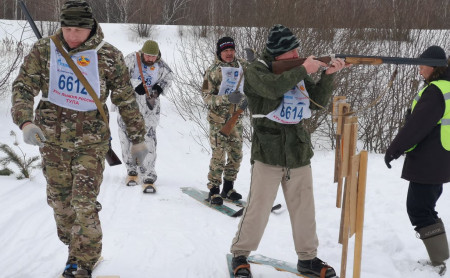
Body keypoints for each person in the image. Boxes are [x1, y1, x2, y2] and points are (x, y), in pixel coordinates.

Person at [11, 1, 148, 277]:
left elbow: (125, 100)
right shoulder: (45, 50)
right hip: (52, 143)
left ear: (91, 28)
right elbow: (23, 86)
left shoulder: (108, 55)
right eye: (67, 28)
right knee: (60, 205)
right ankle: (74, 247)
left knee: (83, 203)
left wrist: (137, 138)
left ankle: (84, 260)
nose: (72, 36)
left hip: (91, 144)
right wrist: (26, 121)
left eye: (78, 30)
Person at [229, 24, 347, 278]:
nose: (297, 56)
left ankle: (308, 259)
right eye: (292, 53)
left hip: (298, 152)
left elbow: (317, 101)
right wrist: (304, 68)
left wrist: (328, 75)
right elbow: (272, 88)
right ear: (279, 53)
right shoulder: (257, 70)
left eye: (298, 52)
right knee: (258, 209)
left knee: (305, 210)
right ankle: (240, 255)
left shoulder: (295, 70)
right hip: (268, 152)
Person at [385, 45, 450, 275]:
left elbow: (416, 127)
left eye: (422, 65)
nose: (420, 70)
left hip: (430, 161)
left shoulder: (435, 91)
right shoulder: (446, 88)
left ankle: (439, 261)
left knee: (419, 209)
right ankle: (440, 257)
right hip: (440, 159)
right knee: (425, 207)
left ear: (433, 66)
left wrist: (394, 150)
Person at [118, 40, 174, 192]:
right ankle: (132, 170)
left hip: (150, 108)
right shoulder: (131, 60)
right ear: (142, 53)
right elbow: (117, 78)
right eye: (147, 56)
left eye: (153, 57)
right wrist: (135, 86)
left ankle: (148, 173)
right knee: (126, 138)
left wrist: (157, 89)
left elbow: (169, 77)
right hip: (129, 106)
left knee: (148, 139)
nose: (150, 59)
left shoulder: (161, 65)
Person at [201, 36, 248, 205]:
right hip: (218, 121)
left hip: (236, 118)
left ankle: (228, 188)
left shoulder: (242, 66)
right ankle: (214, 190)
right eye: (225, 51)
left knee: (236, 154)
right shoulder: (212, 70)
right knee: (219, 156)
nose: (229, 53)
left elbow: (257, 74)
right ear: (219, 52)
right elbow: (206, 98)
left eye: (231, 50)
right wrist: (227, 98)